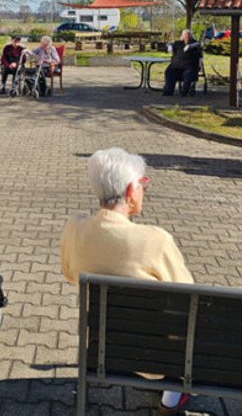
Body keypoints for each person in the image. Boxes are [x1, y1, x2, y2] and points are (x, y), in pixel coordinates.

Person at [60, 147, 193, 416]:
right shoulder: (156, 240)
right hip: (155, 354)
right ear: (132, 191)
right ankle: (170, 397)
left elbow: (70, 273)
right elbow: (188, 295)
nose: (144, 190)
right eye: (144, 184)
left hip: (100, 348)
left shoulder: (74, 229)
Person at [163, 29, 202, 96]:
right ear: (182, 36)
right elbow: (169, 47)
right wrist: (169, 45)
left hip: (189, 66)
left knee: (188, 73)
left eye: (188, 35)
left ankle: (184, 92)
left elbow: (199, 54)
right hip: (176, 66)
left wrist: (191, 46)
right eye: (185, 35)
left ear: (191, 36)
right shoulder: (178, 43)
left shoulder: (195, 44)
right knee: (169, 71)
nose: (187, 36)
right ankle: (168, 91)